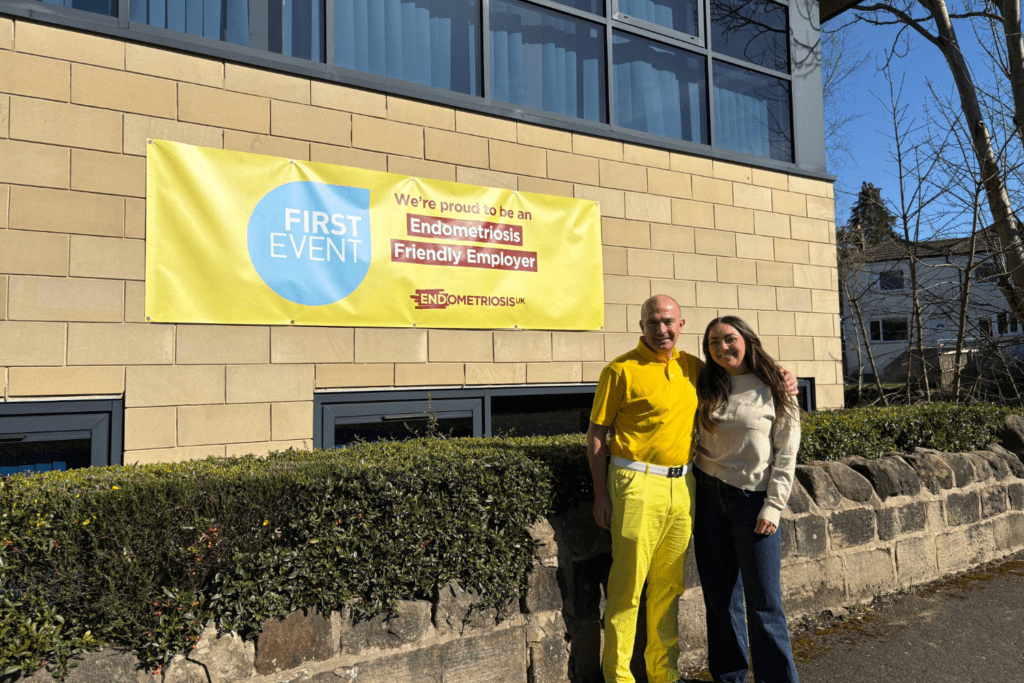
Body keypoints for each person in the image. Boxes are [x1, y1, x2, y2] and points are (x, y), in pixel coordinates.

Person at [588, 294, 700, 683]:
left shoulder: (693, 368)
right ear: (642, 327)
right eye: (653, 322)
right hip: (635, 482)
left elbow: (740, 375)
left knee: (670, 587)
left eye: (669, 321)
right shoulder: (620, 370)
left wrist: (783, 377)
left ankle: (663, 674)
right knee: (628, 587)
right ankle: (618, 676)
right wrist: (601, 495)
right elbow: (597, 434)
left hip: (683, 485)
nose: (662, 329)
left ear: (681, 325)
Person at [692, 315, 801, 683]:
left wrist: (774, 505)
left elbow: (787, 453)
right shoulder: (705, 384)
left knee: (764, 604)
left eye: (729, 339)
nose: (722, 348)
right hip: (708, 499)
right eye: (712, 343)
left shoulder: (774, 386)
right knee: (719, 600)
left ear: (747, 339)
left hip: (752, 503)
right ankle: (729, 677)